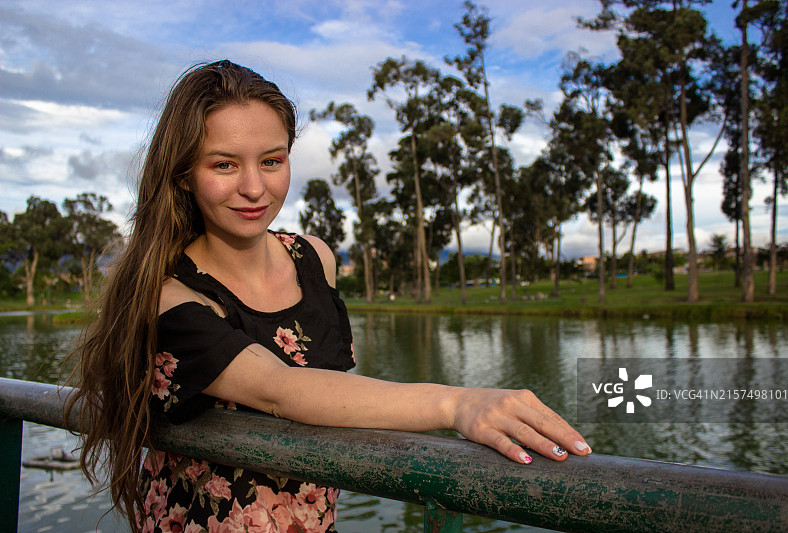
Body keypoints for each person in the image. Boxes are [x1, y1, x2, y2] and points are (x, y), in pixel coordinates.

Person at [66, 60, 591, 533]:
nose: (254, 188)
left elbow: (330, 389)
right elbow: (279, 388)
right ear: (183, 174)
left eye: (271, 161)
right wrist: (457, 402)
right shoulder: (169, 294)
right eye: (224, 165)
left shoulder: (314, 259)